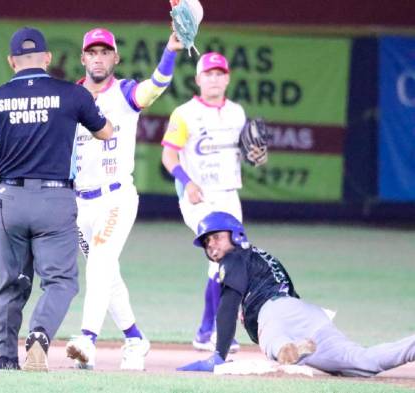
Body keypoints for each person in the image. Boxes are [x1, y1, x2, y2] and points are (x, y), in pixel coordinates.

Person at [0, 27, 113, 372]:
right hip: (54, 200)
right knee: (61, 281)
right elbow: (104, 132)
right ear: (48, 59)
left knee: (11, 284)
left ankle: (5, 359)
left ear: (11, 61)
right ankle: (39, 335)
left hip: (10, 200)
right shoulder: (72, 95)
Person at [65, 27, 184, 371]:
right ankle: (135, 339)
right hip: (79, 204)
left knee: (100, 263)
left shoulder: (126, 92)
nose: (98, 58)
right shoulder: (70, 97)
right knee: (107, 273)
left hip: (115, 197)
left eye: (105, 52)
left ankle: (88, 337)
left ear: (115, 58)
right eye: (93, 52)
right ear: (83, 58)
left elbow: (157, 85)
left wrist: (171, 50)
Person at [177, 212, 415, 376]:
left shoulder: (235, 257)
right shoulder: (258, 257)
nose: (212, 245)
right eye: (207, 242)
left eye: (217, 237)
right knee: (363, 363)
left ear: (235, 234)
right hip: (306, 315)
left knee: (270, 335)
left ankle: (284, 349)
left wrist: (218, 355)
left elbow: (228, 305)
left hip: (274, 312)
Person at [161, 52, 267, 352]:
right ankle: (213, 331)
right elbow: (168, 156)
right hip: (198, 197)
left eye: (219, 73)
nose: (214, 78)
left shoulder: (236, 112)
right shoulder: (184, 113)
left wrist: (255, 157)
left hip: (229, 194)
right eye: (208, 73)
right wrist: (187, 181)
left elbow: (245, 153)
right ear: (197, 79)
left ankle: (207, 330)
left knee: (231, 261)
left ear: (228, 78)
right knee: (222, 252)